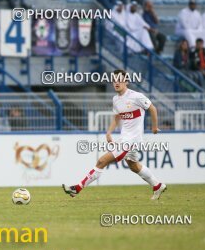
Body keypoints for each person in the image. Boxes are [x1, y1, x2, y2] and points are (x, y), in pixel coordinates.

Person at [63, 69, 167, 200]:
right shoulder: (116, 100)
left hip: (132, 140)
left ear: (126, 82)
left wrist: (154, 127)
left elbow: (153, 108)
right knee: (134, 166)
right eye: (114, 80)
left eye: (120, 80)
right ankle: (157, 186)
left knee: (102, 161)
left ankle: (77, 187)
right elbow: (117, 117)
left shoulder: (136, 96)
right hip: (124, 139)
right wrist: (109, 132)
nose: (116, 82)